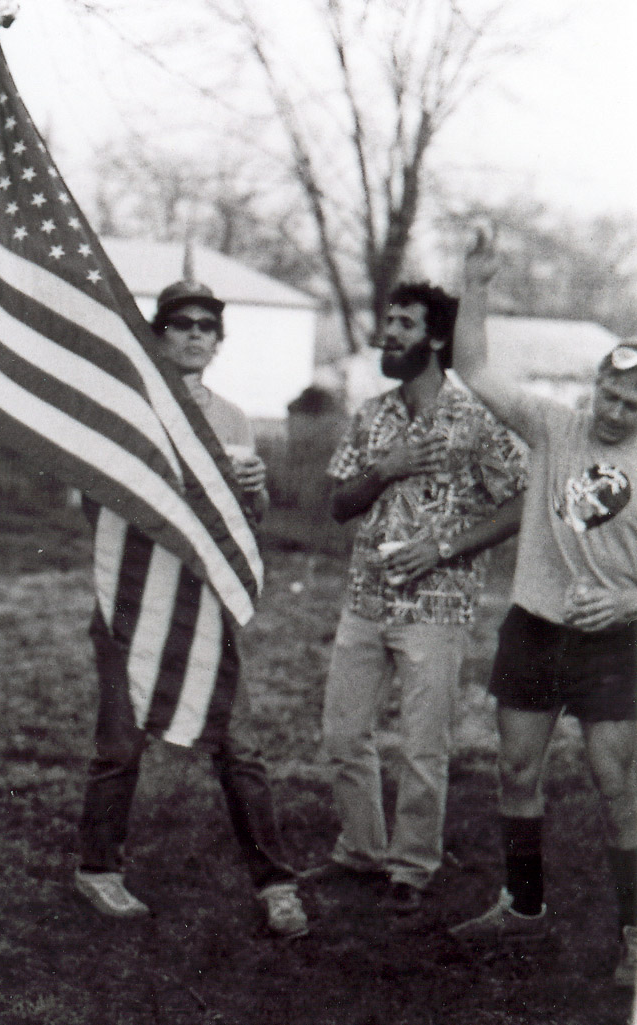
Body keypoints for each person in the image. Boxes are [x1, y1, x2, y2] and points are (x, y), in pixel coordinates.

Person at [74, 278, 308, 939]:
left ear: (219, 341)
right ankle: (98, 867)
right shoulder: (128, 408)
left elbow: (245, 524)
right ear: (158, 336)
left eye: (208, 325)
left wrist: (256, 493)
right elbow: (95, 506)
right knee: (120, 743)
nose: (196, 334)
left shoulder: (232, 418)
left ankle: (276, 883)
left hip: (204, 603)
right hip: (134, 600)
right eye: (182, 324)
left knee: (240, 747)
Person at [448, 233, 637, 989]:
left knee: (617, 784)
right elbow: (473, 369)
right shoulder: (554, 426)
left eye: (634, 404)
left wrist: (629, 599)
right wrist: (476, 284)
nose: (617, 410)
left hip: (615, 641)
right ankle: (523, 905)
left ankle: (635, 935)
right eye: (611, 394)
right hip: (535, 627)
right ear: (596, 385)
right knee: (516, 769)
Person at [314, 281, 527, 913]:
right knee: (343, 735)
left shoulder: (476, 418)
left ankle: (411, 866)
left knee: (422, 746)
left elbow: (521, 501)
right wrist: (387, 467)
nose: (389, 333)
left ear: (436, 338)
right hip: (365, 600)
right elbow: (338, 504)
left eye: (404, 323)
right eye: (389, 321)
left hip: (436, 607)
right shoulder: (371, 415)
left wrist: (445, 548)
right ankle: (361, 849)